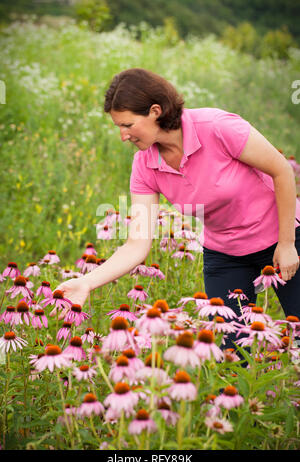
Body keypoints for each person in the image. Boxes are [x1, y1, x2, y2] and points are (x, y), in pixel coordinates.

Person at [56, 68, 300, 349]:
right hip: (225, 255)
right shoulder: (144, 164)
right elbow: (137, 243)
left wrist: (287, 243)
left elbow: (281, 170)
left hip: (282, 238)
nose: (123, 136)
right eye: (118, 127)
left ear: (155, 111)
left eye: (127, 125)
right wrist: (87, 282)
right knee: (230, 352)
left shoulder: (217, 126)